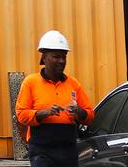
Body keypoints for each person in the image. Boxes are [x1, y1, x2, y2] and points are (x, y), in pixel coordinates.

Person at [15, 30, 94, 167]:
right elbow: (21, 115)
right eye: (56, 57)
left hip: (68, 150)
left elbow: (90, 115)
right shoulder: (31, 82)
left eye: (64, 57)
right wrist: (44, 113)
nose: (62, 61)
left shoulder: (73, 84)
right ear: (44, 57)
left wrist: (79, 112)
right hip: (42, 150)